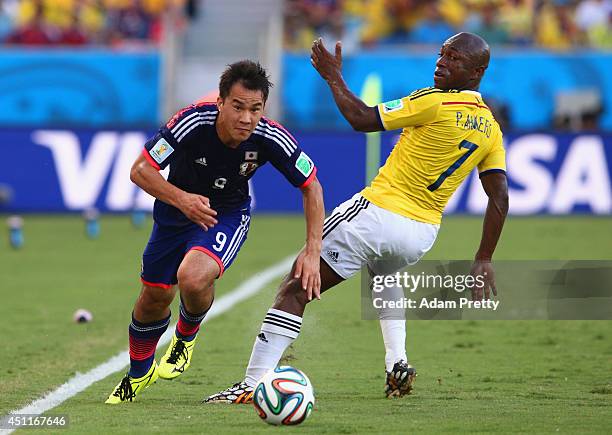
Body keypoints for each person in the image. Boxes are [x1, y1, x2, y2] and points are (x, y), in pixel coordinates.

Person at [205, 32, 508, 403]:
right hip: (422, 233)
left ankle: (252, 385)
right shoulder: (490, 127)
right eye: (442, 53)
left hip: (378, 215)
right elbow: (499, 196)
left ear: (477, 71)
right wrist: (484, 258)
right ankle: (397, 361)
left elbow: (362, 118)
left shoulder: (435, 102)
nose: (441, 62)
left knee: (296, 287)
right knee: (384, 275)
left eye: (455, 59)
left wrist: (334, 76)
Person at [105, 60, 324, 404]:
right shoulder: (191, 122)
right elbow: (140, 170)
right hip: (176, 211)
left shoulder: (271, 137)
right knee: (154, 296)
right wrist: (182, 200)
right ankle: (138, 373)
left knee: (192, 278)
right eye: (237, 107)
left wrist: (313, 252)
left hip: (226, 213)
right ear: (221, 102)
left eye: (255, 109)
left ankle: (185, 337)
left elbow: (312, 187)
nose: (246, 118)